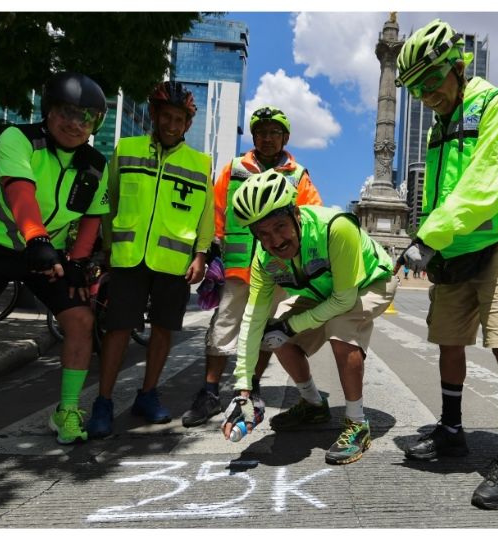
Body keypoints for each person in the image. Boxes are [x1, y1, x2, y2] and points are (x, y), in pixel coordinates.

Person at [394, 19, 498, 510]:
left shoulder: (497, 107)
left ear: (457, 65)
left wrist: (428, 238)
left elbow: (486, 185)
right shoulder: (439, 125)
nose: (427, 95)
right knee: (449, 341)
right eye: (417, 89)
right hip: (453, 248)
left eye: (432, 81)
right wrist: (429, 239)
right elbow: (440, 194)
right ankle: (451, 431)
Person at [0, 72, 110, 447]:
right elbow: (20, 190)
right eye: (67, 112)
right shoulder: (17, 139)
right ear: (48, 110)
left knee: (81, 319)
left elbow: (92, 218)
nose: (75, 124)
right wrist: (36, 237)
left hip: (48, 252)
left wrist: (80, 262)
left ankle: (66, 410)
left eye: (87, 118)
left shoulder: (96, 164)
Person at [219, 171, 397, 465]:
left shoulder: (336, 228)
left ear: (296, 214)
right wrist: (242, 390)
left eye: (280, 226)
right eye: (263, 234)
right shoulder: (264, 260)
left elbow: (344, 300)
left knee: (340, 328)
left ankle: (357, 424)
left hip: (368, 283)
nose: (274, 241)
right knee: (271, 331)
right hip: (324, 291)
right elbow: (252, 319)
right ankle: (314, 404)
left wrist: (292, 325)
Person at [84, 81, 213, 438]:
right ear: (154, 116)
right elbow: (107, 200)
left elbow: (205, 213)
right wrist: (107, 245)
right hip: (127, 257)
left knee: (162, 330)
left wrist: (201, 254)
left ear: (188, 124)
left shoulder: (201, 163)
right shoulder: (126, 149)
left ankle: (147, 394)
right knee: (117, 329)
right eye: (166, 117)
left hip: (173, 262)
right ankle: (104, 402)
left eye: (180, 119)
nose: (172, 125)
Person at [180, 106, 322, 428]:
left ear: (284, 137)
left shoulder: (297, 174)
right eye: (261, 132)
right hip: (238, 267)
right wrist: (208, 253)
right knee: (222, 328)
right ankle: (210, 392)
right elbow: (215, 212)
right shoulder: (233, 169)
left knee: (265, 331)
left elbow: (312, 217)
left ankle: (251, 389)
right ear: (253, 136)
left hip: (277, 269)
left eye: (274, 132)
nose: (267, 138)